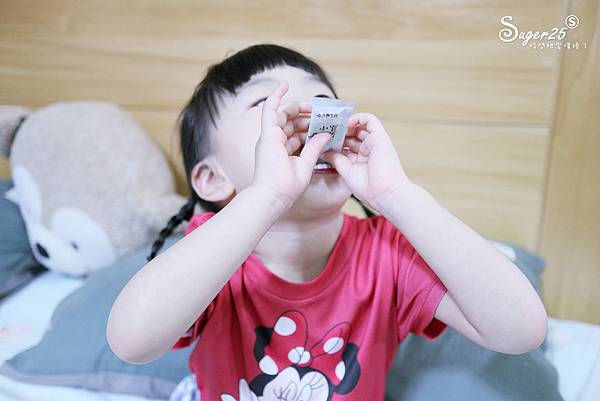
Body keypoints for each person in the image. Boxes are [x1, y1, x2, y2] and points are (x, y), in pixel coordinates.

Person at [106, 44, 548, 401]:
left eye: (323, 101)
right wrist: (267, 195)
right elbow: (131, 341)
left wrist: (397, 195)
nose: (310, 115)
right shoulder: (211, 253)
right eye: (265, 103)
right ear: (213, 178)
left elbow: (521, 331)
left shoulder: (387, 253)